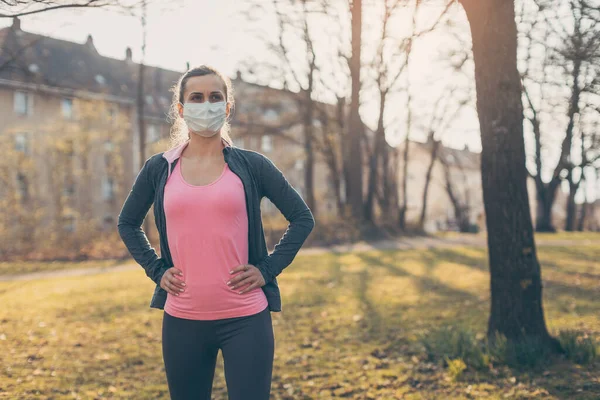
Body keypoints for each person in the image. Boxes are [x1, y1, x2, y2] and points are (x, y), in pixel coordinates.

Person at [117, 64, 315, 400]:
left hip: (246, 319)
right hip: (182, 320)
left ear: (227, 106)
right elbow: (127, 223)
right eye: (196, 97)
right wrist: (156, 270)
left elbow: (301, 217)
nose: (205, 104)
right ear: (181, 109)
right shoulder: (159, 168)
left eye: (214, 97)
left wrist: (266, 270)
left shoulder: (252, 165)